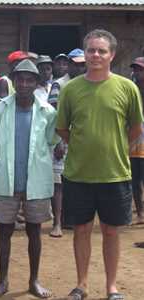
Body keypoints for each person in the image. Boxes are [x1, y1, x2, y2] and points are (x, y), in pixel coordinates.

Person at [56, 29, 143, 300]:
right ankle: (81, 285)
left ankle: (111, 287)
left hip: (114, 174)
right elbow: (63, 129)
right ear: (85, 54)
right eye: (91, 50)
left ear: (112, 55)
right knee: (81, 229)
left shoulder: (127, 88)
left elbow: (136, 127)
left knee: (111, 231)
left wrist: (115, 148)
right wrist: (86, 147)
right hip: (78, 173)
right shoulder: (70, 89)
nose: (95, 55)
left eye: (101, 51)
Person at [0, 59, 56, 299]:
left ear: (37, 83)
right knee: (4, 231)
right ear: (14, 82)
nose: (24, 84)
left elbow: (51, 141)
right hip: (7, 179)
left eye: (30, 80)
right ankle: (2, 281)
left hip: (35, 180)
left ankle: (33, 280)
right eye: (20, 79)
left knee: (34, 231)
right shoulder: (0, 110)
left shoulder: (47, 112)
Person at [48, 48, 86, 237]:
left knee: (77, 181)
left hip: (81, 140)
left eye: (82, 65)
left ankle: (72, 220)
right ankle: (57, 223)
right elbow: (53, 113)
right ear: (69, 64)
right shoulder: (59, 84)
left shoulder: (88, 84)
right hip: (63, 139)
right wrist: (58, 141)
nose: (79, 68)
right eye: (76, 64)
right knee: (59, 183)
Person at [129, 57, 144, 225]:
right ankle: (140, 213)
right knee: (135, 179)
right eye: (136, 70)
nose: (138, 72)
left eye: (141, 70)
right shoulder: (131, 90)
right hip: (135, 141)